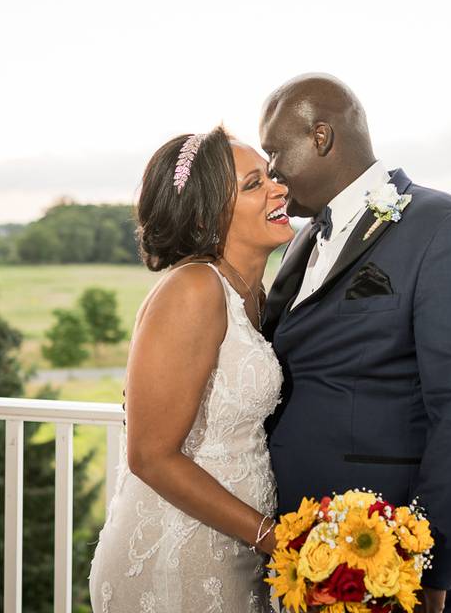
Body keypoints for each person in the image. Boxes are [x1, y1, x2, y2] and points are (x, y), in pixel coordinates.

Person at [261, 74, 451, 613]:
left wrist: (426, 564)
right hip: (306, 558)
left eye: (276, 151)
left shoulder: (447, 228)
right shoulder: (303, 239)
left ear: (322, 136)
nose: (273, 172)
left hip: (393, 562)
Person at [88, 126, 293, 612]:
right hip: (176, 552)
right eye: (253, 185)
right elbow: (150, 455)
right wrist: (276, 539)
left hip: (239, 548)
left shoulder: (258, 295)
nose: (279, 188)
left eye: (270, 176)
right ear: (205, 216)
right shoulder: (194, 290)